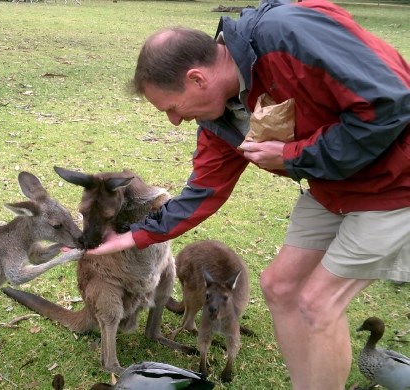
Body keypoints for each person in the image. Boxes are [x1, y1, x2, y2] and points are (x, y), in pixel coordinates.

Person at [86, 0, 410, 388]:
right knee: (279, 286)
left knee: (318, 303)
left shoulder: (287, 34)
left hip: (396, 183)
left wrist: (294, 155)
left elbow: (390, 101)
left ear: (197, 79)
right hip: (335, 189)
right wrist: (135, 235)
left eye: (172, 108)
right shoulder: (219, 115)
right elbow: (203, 191)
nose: (174, 121)